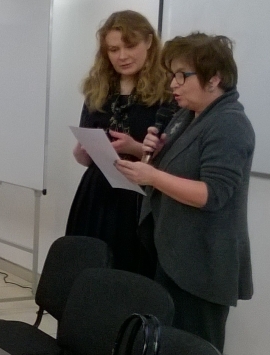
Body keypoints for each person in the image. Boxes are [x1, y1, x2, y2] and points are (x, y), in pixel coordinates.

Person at [116, 33, 254, 352]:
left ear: (214, 79)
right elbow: (170, 172)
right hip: (173, 252)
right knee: (166, 350)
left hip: (202, 262)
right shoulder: (186, 116)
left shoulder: (229, 123)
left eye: (182, 76)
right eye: (172, 75)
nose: (173, 85)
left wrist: (153, 175)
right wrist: (150, 154)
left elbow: (211, 194)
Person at [65, 10, 174, 277]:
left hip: (139, 197)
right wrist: (82, 151)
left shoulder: (169, 92)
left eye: (130, 46)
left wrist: (134, 148)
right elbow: (84, 158)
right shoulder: (98, 88)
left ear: (149, 42)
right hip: (97, 192)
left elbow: (175, 158)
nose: (122, 56)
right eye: (113, 50)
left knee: (126, 273)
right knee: (88, 267)